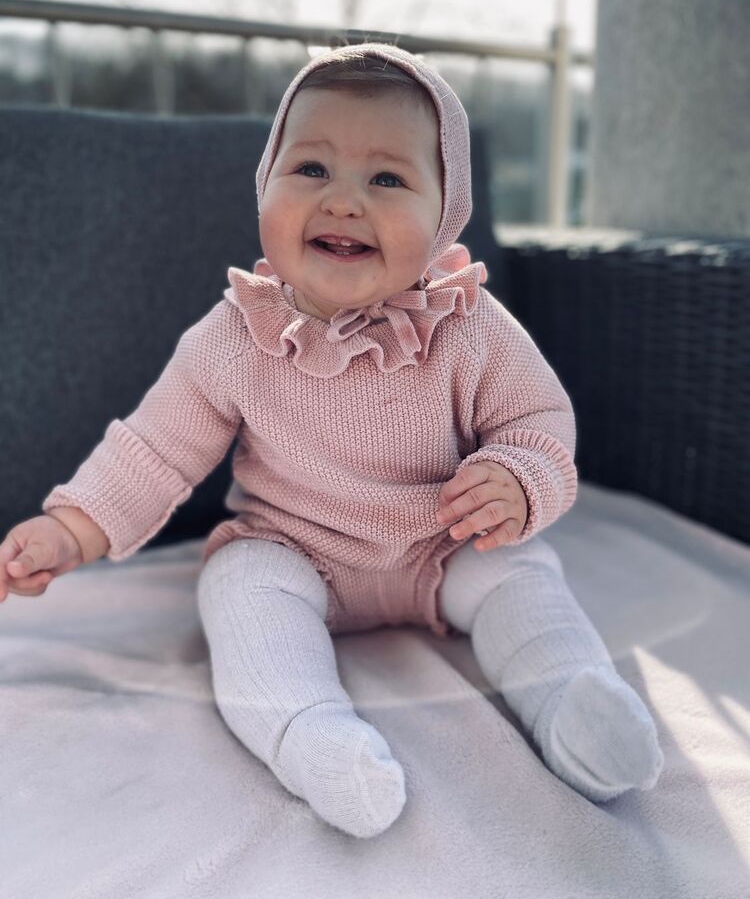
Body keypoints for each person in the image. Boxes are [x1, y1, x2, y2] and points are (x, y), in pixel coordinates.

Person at [0, 43, 663, 839]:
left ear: (444, 214)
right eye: (311, 169)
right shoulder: (238, 334)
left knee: (521, 573)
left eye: (386, 179)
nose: (343, 201)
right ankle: (310, 735)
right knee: (239, 589)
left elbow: (540, 419)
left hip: (446, 540)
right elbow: (154, 449)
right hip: (296, 548)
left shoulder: (469, 323)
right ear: (265, 188)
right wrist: (71, 529)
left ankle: (572, 698)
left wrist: (518, 479)